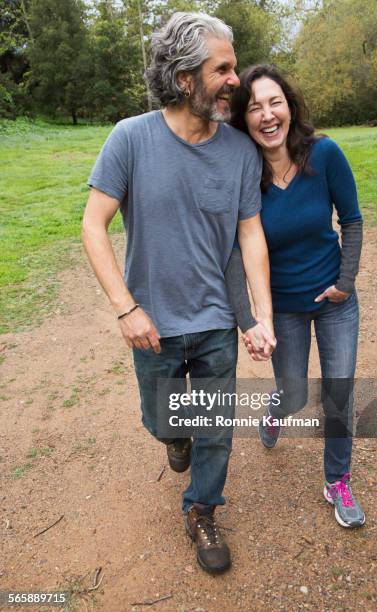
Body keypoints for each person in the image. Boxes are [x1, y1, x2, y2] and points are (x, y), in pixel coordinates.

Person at [82, 14, 275, 574]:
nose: (234, 79)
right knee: (165, 421)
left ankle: (203, 510)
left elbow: (250, 234)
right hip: (152, 326)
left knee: (216, 428)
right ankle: (174, 437)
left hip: (215, 321)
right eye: (223, 68)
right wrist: (126, 308)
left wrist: (259, 316)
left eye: (234, 66)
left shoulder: (239, 151)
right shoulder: (130, 138)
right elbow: (93, 226)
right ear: (184, 77)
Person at [226, 64, 365, 528]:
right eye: (254, 107)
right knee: (293, 395)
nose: (267, 115)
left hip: (334, 303)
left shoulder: (324, 154)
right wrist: (250, 317)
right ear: (244, 119)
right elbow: (234, 251)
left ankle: (337, 480)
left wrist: (345, 283)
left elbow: (352, 219)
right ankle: (275, 409)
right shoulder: (245, 173)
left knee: (338, 394)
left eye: (275, 102)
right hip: (282, 308)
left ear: (289, 106)